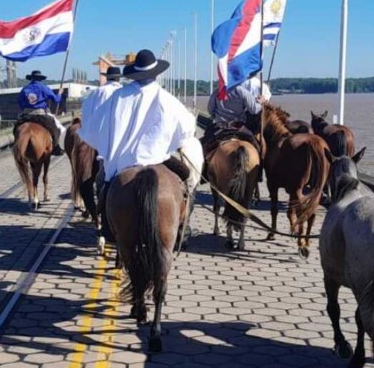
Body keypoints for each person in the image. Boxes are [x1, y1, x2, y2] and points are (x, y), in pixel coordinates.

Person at [92, 49, 203, 241]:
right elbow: (186, 130)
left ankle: (106, 224)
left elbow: (102, 127)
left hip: (123, 161)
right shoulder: (168, 99)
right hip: (159, 157)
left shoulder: (118, 97)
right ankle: (183, 225)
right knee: (186, 180)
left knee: (104, 183)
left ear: (134, 73)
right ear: (156, 73)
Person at [204, 71, 264, 154]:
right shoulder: (242, 91)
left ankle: (204, 165)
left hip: (220, 127)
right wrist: (261, 103)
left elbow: (210, 110)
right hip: (239, 127)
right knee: (257, 146)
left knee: (206, 147)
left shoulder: (217, 92)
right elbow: (254, 110)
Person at [77, 66, 123, 159]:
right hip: (117, 132)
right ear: (118, 78)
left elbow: (86, 108)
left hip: (97, 133)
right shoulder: (122, 91)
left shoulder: (97, 91)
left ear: (107, 77)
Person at [17, 70, 66, 156]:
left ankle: (16, 145)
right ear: (40, 79)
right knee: (55, 128)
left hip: (27, 114)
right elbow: (56, 99)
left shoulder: (25, 88)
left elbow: (19, 102)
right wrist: (60, 93)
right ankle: (56, 146)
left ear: (31, 78)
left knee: (16, 128)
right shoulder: (43, 87)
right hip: (40, 114)